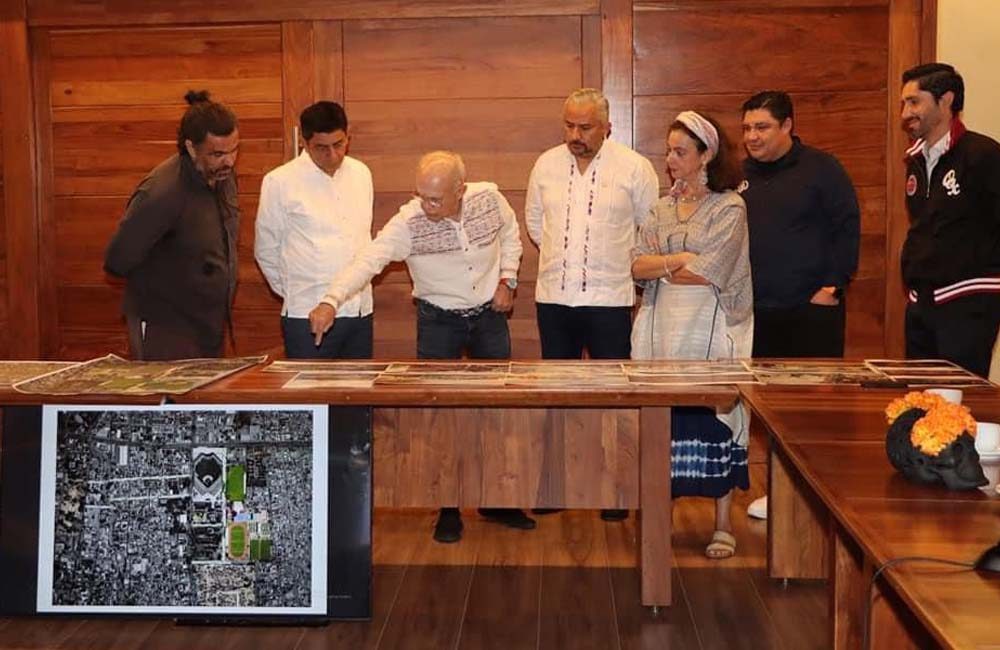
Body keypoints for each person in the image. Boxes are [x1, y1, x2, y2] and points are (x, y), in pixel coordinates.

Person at [308, 151, 533, 543]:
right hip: (438, 322)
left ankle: (497, 499)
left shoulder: (490, 199)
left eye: (435, 199)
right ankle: (448, 508)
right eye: (421, 196)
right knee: (441, 417)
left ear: (460, 191)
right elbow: (367, 261)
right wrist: (331, 300)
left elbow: (511, 236)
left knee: (498, 410)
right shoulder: (408, 223)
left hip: (489, 319)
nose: (425, 205)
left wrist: (508, 280)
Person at [525, 87, 659, 521]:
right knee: (558, 397)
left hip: (609, 299)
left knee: (614, 398)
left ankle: (615, 490)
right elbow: (535, 223)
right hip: (555, 298)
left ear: (608, 127)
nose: (575, 134)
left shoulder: (634, 168)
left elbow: (648, 227)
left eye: (585, 126)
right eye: (569, 124)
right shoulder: (546, 164)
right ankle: (559, 485)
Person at [630, 111, 752, 559]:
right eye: (668, 151)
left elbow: (709, 273)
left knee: (715, 421)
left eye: (681, 152)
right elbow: (635, 264)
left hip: (713, 328)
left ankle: (723, 525)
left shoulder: (729, 207)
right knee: (664, 423)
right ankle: (659, 519)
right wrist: (677, 259)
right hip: (660, 331)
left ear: (707, 156)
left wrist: (668, 264)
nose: (670, 160)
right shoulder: (660, 208)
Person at [740, 90, 860, 520]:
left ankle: (819, 503)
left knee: (814, 413)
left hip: (811, 312)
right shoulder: (741, 175)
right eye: (747, 128)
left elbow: (848, 228)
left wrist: (830, 288)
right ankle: (780, 497)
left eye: (762, 127)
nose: (752, 137)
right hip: (758, 314)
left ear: (788, 126)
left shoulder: (822, 169)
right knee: (771, 411)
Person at [104, 90, 239, 360]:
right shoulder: (162, 192)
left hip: (209, 324)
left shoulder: (222, 176)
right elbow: (117, 261)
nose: (229, 161)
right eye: (217, 154)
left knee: (204, 402)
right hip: (165, 328)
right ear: (191, 148)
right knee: (167, 402)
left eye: (235, 149)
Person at [900, 62, 1000, 378]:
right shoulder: (915, 161)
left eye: (914, 102)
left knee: (959, 408)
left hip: (968, 303)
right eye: (904, 103)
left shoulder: (983, 155)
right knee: (920, 403)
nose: (905, 113)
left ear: (946, 101)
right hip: (921, 304)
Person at [255, 101, 374, 359]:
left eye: (339, 144)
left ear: (348, 136)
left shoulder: (361, 174)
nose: (332, 155)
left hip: (359, 311)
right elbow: (266, 251)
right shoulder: (279, 182)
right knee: (310, 397)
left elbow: (364, 240)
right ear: (305, 143)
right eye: (322, 148)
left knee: (358, 396)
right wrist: (297, 291)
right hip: (305, 314)